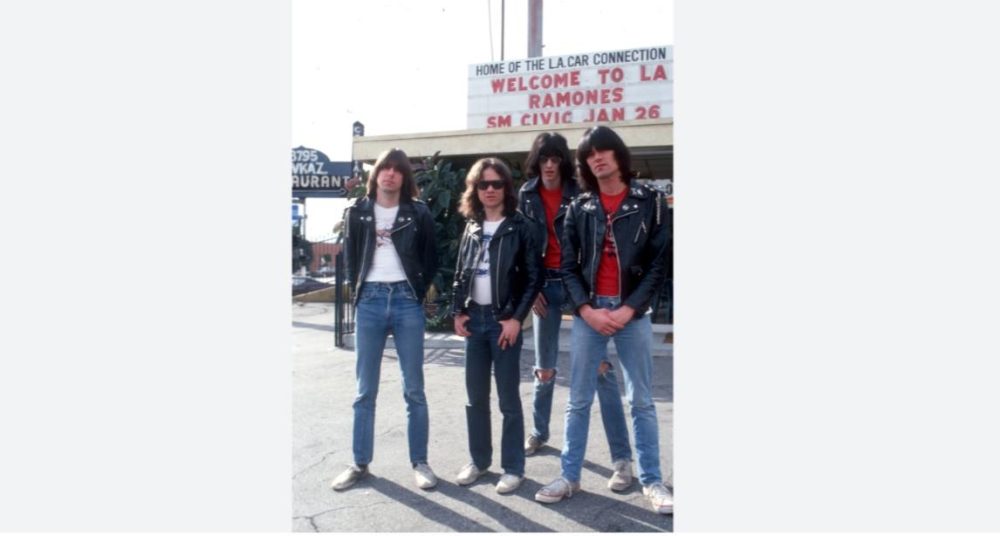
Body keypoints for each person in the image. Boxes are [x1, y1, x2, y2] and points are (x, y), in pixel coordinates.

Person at [534, 126, 673, 515]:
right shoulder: (580, 207)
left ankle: (652, 480)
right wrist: (585, 310)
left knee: (642, 401)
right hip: (590, 312)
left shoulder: (652, 202)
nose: (598, 158)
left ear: (618, 154)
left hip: (633, 311)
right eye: (590, 154)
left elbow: (659, 266)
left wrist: (629, 309)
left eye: (604, 150)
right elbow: (567, 266)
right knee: (577, 400)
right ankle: (569, 476)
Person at [517, 132, 636, 492]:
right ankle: (539, 432)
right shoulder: (526, 194)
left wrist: (586, 294)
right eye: (543, 159)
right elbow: (524, 246)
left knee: (601, 370)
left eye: (555, 159)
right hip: (543, 287)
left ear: (564, 162)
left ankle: (622, 459)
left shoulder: (580, 191)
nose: (549, 165)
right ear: (536, 162)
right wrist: (532, 286)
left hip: (576, 286)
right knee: (545, 367)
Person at [330, 148, 439, 491]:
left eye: (397, 169)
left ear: (405, 177)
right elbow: (350, 260)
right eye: (384, 168)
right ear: (375, 175)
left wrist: (418, 292)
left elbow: (432, 257)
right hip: (371, 301)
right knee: (365, 390)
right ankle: (359, 463)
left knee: (414, 389)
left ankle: (420, 462)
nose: (390, 174)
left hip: (407, 301)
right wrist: (360, 293)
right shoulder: (357, 212)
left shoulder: (418, 213)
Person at [451, 157, 542, 494]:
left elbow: (534, 278)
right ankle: (479, 461)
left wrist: (517, 319)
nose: (490, 190)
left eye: (496, 183)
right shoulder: (472, 227)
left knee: (507, 400)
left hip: (504, 322)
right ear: (475, 189)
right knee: (475, 398)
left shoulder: (521, 226)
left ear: (506, 187)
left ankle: (514, 467)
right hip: (475, 321)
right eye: (483, 184)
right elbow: (461, 273)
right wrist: (457, 311)